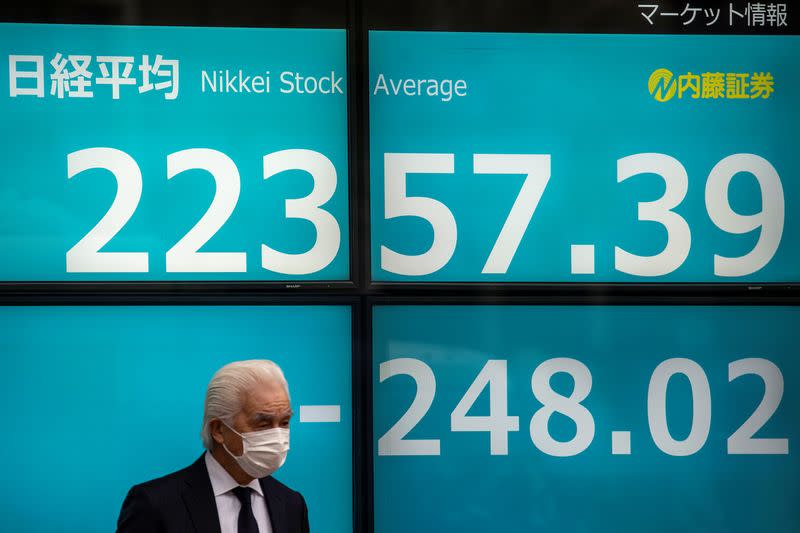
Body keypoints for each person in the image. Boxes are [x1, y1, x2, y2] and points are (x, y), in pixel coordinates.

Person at [117, 359, 309, 533]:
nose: (276, 435)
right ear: (218, 430)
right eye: (263, 424)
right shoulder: (155, 504)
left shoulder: (292, 504)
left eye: (284, 422)